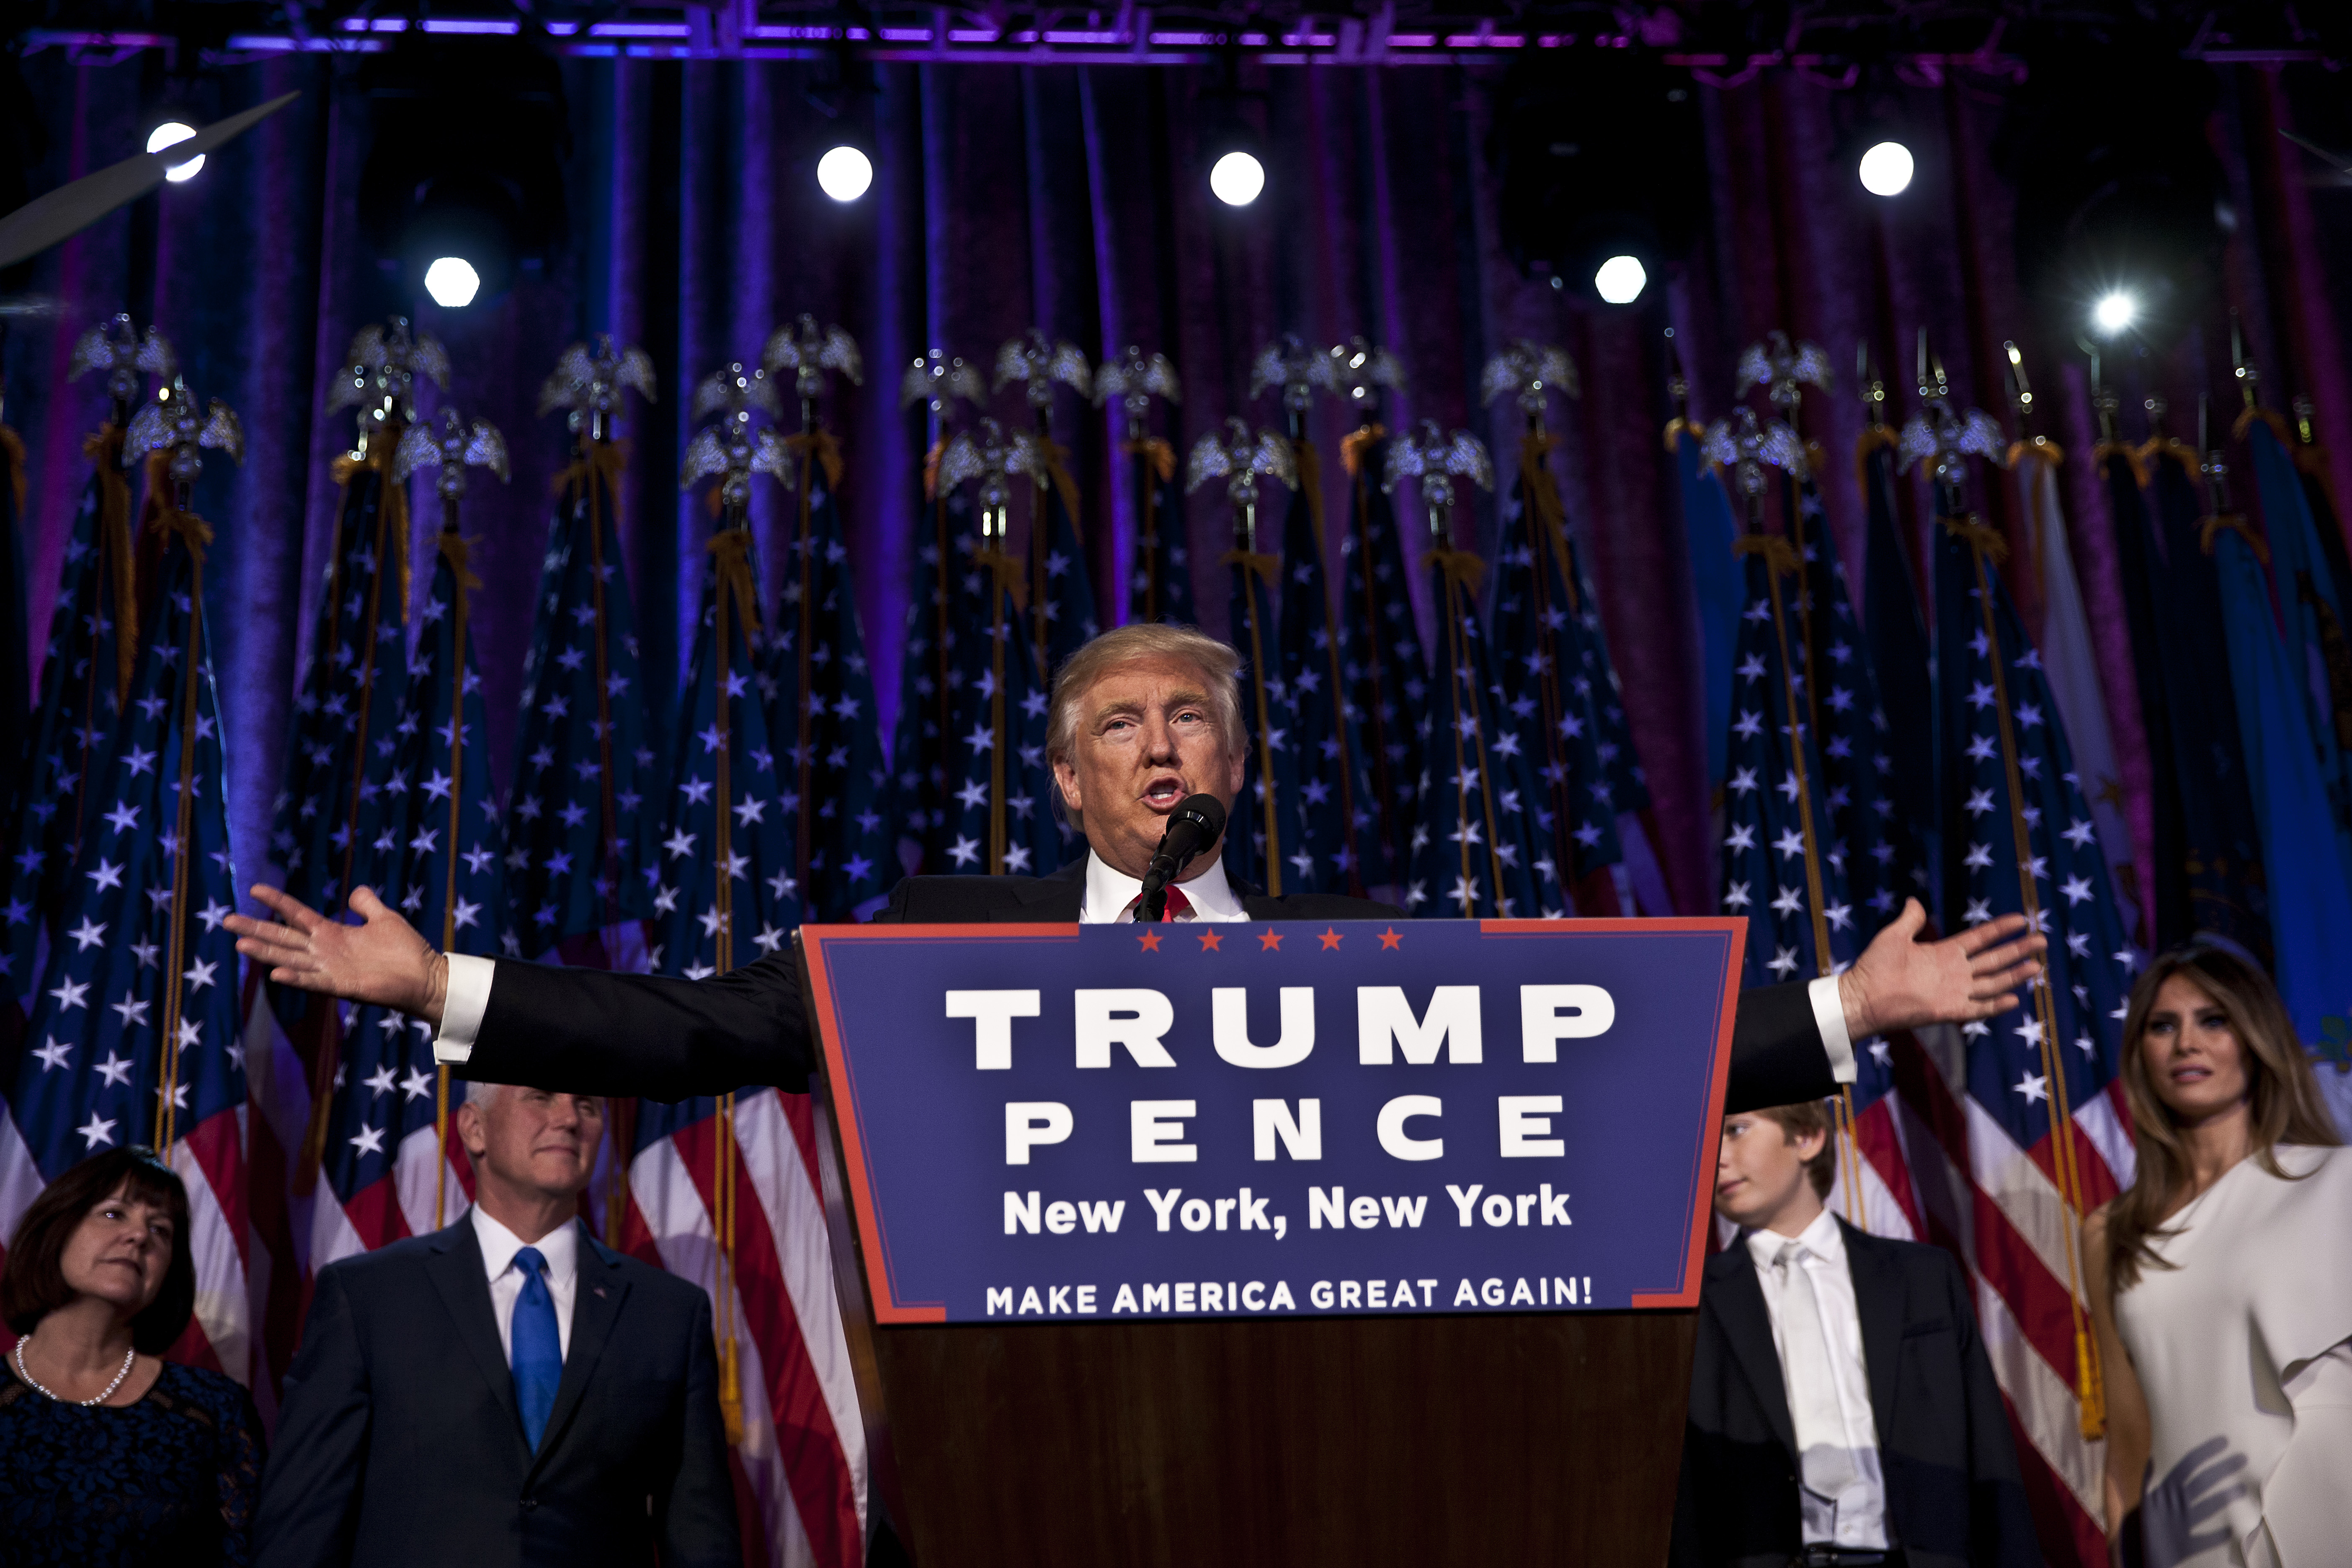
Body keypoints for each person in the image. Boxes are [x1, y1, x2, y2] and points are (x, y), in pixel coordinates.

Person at [226, 622, 2044, 1114]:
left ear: (1238, 767)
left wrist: (1847, 1009)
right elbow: (693, 1034)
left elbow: (1595, 1050)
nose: (1164, 743)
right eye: (1123, 722)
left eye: (1193, 719)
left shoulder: (1367, 945)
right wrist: (440, 988)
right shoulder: (942, 939)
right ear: (1064, 772)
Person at [253, 1081, 740, 1568]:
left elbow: (701, 1538)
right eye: (542, 1097)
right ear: (474, 1128)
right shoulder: (368, 1298)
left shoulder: (668, 1314)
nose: (570, 1119)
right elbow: (302, 1530)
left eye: (587, 1105)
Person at [1674, 1099, 2040, 1568]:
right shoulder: (1692, 1309)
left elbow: (1988, 1453)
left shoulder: (1921, 1278)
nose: (1715, 1156)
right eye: (1703, 1140)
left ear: (1807, 1136)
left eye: (1736, 1130)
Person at [2082, 946, 2349, 1568]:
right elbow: (2126, 1443)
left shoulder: (2340, 1182)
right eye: (2162, 1025)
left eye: (2214, 1020)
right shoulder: (2111, 1232)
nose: (2186, 1044)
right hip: (2191, 1539)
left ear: (2255, 1038)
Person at [0, 1145, 265, 1567]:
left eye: (160, 1230)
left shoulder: (213, 1411)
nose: (140, 1236)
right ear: (57, 1230)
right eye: (113, 1214)